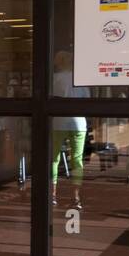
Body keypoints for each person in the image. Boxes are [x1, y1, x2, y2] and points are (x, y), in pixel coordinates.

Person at [51, 50, 89, 209]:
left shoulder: (54, 79)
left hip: (58, 121)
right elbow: (87, 99)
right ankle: (76, 197)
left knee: (54, 158)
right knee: (77, 160)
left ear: (58, 62)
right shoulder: (80, 79)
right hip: (78, 122)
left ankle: (52, 194)